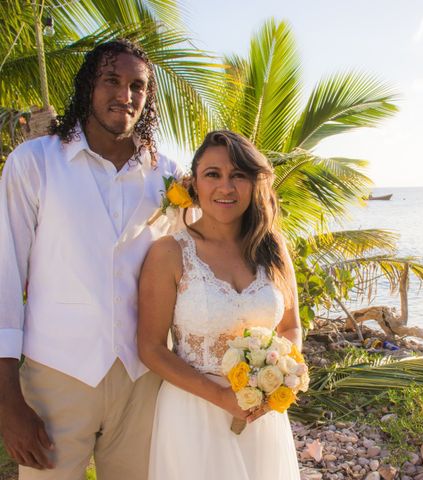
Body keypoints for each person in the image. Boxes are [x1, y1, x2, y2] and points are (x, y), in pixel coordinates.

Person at [0, 39, 182, 480]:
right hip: (57, 375)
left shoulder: (170, 176)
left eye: (137, 86)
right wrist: (8, 402)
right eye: (111, 81)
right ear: (88, 86)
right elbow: (5, 276)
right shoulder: (35, 162)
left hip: (145, 379)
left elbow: (186, 272)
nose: (125, 95)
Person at [138, 130, 302, 479]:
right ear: (195, 183)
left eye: (238, 175)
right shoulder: (169, 253)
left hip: (262, 415)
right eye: (213, 174)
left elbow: (291, 326)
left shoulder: (273, 248)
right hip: (191, 414)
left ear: (254, 183)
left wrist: (279, 381)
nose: (226, 187)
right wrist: (222, 397)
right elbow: (151, 348)